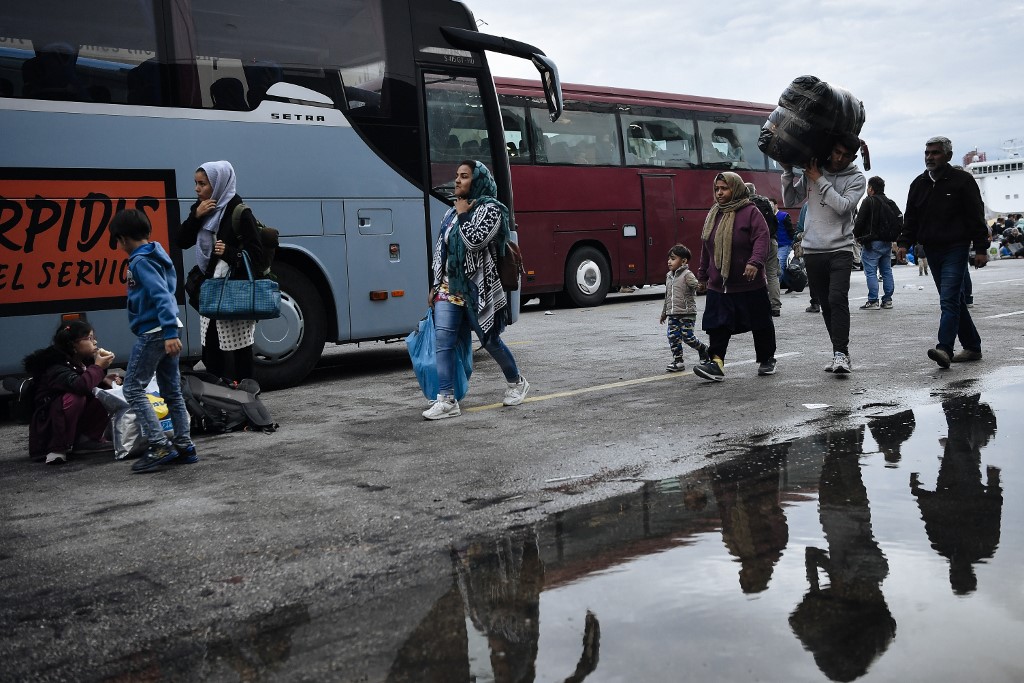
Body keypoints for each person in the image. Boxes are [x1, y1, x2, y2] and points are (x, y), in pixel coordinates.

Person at [423, 160, 529, 419]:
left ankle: (516, 382)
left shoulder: (492, 210)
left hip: (478, 288)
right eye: (457, 175)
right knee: (443, 342)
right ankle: (447, 400)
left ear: (477, 181)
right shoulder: (450, 212)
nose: (457, 180)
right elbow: (440, 250)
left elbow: (474, 241)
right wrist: (435, 284)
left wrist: (463, 214)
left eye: (464, 176)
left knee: (490, 341)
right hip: (449, 287)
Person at [109, 209, 198, 471]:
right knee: (171, 390)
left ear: (123, 239)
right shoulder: (157, 253)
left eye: (117, 241)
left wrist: (168, 332)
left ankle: (159, 445)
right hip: (167, 329)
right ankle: (184, 445)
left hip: (156, 332)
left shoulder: (140, 262)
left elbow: (162, 295)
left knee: (132, 388)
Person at [897, 136, 988, 368]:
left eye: (935, 153)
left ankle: (944, 348)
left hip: (956, 248)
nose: (930, 157)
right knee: (954, 299)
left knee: (948, 300)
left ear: (948, 155)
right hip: (932, 250)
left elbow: (976, 216)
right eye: (927, 153)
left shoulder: (962, 181)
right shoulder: (918, 184)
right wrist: (903, 243)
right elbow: (911, 218)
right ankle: (973, 346)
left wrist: (981, 249)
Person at [781, 132, 866, 374]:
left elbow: (843, 207)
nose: (839, 158)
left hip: (840, 248)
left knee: (837, 299)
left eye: (845, 155)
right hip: (813, 249)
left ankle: (840, 354)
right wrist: (787, 172)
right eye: (836, 152)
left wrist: (819, 179)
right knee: (827, 305)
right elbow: (791, 199)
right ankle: (840, 352)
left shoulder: (857, 178)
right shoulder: (814, 169)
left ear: (853, 157)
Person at [177, 160, 263, 383]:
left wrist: (229, 253)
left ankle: (245, 393)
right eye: (196, 183)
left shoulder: (240, 212)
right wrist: (196, 216)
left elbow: (257, 257)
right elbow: (181, 241)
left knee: (240, 350)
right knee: (211, 351)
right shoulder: (202, 209)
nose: (197, 189)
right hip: (211, 291)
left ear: (218, 184)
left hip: (234, 292)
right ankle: (218, 396)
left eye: (202, 184)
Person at [692, 172, 777, 381]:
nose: (719, 193)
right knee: (717, 325)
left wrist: (754, 262)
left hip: (749, 283)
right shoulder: (714, 214)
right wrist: (702, 276)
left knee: (761, 323)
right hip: (719, 284)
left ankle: (767, 359)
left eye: (724, 188)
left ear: (736, 189)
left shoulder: (751, 212)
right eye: (717, 189)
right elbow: (707, 248)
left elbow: (762, 238)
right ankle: (716, 363)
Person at [22, 320, 120, 464]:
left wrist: (103, 379)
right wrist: (98, 367)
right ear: (73, 344)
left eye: (94, 337)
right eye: (89, 338)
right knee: (75, 398)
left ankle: (86, 441)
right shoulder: (55, 365)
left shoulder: (82, 361)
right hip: (49, 426)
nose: (95, 342)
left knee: (104, 394)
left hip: (67, 419)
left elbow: (86, 384)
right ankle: (57, 448)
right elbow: (79, 386)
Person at [660, 244, 710, 372]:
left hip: (687, 313)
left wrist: (701, 286)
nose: (669, 261)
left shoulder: (687, 275)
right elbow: (667, 296)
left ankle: (703, 349)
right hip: (673, 313)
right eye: (669, 259)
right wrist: (664, 313)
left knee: (687, 337)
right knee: (673, 337)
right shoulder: (669, 276)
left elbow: (696, 285)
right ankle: (678, 361)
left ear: (683, 261)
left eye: (673, 259)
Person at [853, 176, 898, 310]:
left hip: (871, 243)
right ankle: (887, 300)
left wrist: (857, 235)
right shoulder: (890, 202)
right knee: (886, 271)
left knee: (871, 272)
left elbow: (860, 221)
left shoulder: (869, 201)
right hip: (887, 242)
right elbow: (899, 218)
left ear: (871, 188)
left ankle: (873, 301)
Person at [746, 183, 782, 316]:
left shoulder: (746, 205)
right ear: (755, 190)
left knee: (753, 273)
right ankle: (775, 306)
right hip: (771, 240)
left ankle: (756, 305)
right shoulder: (766, 202)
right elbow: (775, 222)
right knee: (772, 274)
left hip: (755, 243)